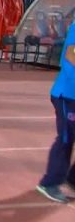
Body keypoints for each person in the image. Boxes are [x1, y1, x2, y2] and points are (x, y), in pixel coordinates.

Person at [36, 20, 75, 203]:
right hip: (67, 95)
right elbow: (71, 57)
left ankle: (72, 179)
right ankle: (49, 183)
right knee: (65, 139)